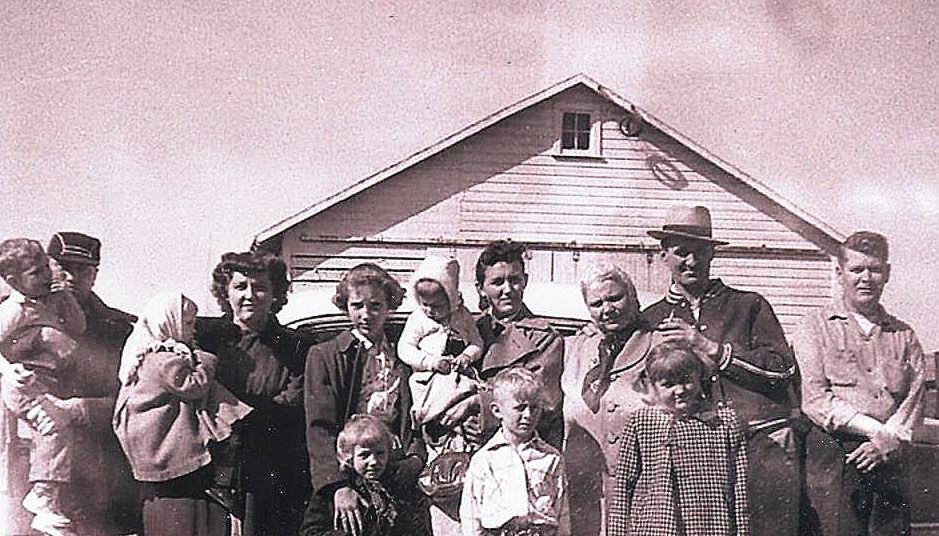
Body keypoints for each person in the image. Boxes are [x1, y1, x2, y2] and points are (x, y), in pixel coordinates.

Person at [640, 205, 800, 535]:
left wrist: (710, 348)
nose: (691, 262)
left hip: (759, 445)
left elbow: (783, 370)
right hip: (691, 457)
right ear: (664, 254)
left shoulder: (748, 305)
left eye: (700, 252)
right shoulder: (651, 318)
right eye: (681, 252)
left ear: (712, 253)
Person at [793, 231, 925, 536]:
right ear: (840, 274)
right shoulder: (814, 326)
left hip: (890, 456)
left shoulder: (904, 335)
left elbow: (915, 399)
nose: (866, 278)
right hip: (837, 456)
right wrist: (877, 432)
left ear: (887, 274)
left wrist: (888, 440)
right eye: (856, 270)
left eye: (875, 269)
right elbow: (814, 399)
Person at [113, 292, 252, 536]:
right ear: (169, 322)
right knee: (229, 435)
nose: (193, 329)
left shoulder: (151, 355)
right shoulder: (164, 358)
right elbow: (193, 384)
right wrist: (206, 359)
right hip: (168, 440)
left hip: (161, 441)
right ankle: (222, 478)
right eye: (188, 323)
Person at [305, 263, 428, 536]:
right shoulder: (325, 355)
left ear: (389, 306)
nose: (366, 314)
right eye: (357, 305)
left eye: (375, 305)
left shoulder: (407, 354)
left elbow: (419, 413)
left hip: (398, 469)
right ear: (345, 306)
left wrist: (416, 458)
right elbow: (319, 427)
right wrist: (337, 486)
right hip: (350, 471)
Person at [198, 250, 315, 536]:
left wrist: (239, 416)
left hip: (272, 468)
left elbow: (292, 400)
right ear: (226, 293)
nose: (249, 295)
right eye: (240, 286)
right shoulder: (206, 338)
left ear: (275, 293)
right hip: (211, 469)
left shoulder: (296, 346)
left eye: (260, 287)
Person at [46, 231, 140, 534]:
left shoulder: (118, 329)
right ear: (48, 266)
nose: (72, 276)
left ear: (95, 275)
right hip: (32, 465)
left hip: (95, 465)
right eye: (64, 266)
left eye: (83, 269)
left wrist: (83, 409)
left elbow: (133, 396)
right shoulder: (14, 318)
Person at [607, 341, 749, 536]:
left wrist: (743, 531)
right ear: (653, 387)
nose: (680, 390)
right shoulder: (642, 422)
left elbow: (740, 486)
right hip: (655, 525)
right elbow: (624, 484)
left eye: (686, 380)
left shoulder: (724, 422)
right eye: (668, 384)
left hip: (710, 524)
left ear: (700, 378)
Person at [0, 238, 86, 536]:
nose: (47, 276)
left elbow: (78, 327)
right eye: (36, 273)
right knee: (53, 426)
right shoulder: (13, 311)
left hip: (47, 382)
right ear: (13, 281)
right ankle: (42, 499)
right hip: (24, 384)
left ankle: (47, 499)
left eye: (46, 269)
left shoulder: (46, 301)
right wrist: (8, 370)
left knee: (54, 430)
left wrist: (66, 297)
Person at [560, 261, 653, 535]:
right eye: (597, 303)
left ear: (633, 298)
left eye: (615, 298)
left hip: (641, 487)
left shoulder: (659, 344)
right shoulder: (577, 346)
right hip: (587, 490)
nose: (607, 309)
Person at [473, 240, 565, 450]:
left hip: (522, 451)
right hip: (467, 450)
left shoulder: (543, 338)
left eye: (514, 280)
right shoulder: (468, 333)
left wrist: (478, 408)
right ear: (481, 289)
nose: (507, 290)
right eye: (497, 282)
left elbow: (544, 403)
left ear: (525, 281)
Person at [460, 366, 570, 536]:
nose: (528, 415)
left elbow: (563, 514)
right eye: (520, 408)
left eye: (534, 408)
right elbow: (471, 516)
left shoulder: (551, 458)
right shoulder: (484, 459)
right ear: (497, 410)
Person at [300, 414, 430, 536]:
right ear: (349, 457)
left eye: (380, 453)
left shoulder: (395, 485)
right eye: (364, 455)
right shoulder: (333, 493)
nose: (373, 462)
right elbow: (310, 532)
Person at [398, 255, 483, 377]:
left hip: (460, 374)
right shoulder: (419, 318)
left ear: (451, 299)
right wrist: (430, 361)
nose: (430, 310)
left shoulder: (463, 316)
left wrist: (468, 355)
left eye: (437, 306)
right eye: (425, 304)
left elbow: (477, 342)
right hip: (427, 376)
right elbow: (405, 348)